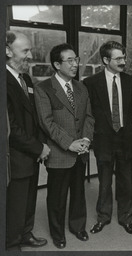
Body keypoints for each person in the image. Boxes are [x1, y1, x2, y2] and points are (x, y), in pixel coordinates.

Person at [34, 43, 94, 249]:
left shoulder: (81, 87)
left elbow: (88, 117)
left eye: (76, 59)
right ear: (57, 64)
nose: (75, 64)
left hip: (81, 152)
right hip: (60, 153)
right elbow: (46, 122)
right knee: (57, 198)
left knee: (78, 193)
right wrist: (70, 144)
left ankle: (78, 227)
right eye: (69, 60)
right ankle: (57, 233)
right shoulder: (43, 89)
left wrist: (86, 140)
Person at [83, 41, 132, 235]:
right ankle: (103, 217)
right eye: (118, 58)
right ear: (106, 60)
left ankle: (126, 219)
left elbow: (130, 112)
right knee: (105, 183)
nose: (123, 61)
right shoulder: (90, 83)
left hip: (126, 139)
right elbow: (88, 114)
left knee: (126, 181)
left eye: (124, 57)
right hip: (104, 140)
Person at [6, 30, 50, 251]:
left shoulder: (24, 78)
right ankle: (11, 245)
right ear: (7, 51)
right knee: (15, 204)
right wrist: (38, 147)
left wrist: (40, 146)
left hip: (31, 155)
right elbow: (9, 128)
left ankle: (25, 233)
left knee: (30, 198)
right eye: (25, 50)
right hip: (15, 157)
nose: (30, 55)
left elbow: (34, 116)